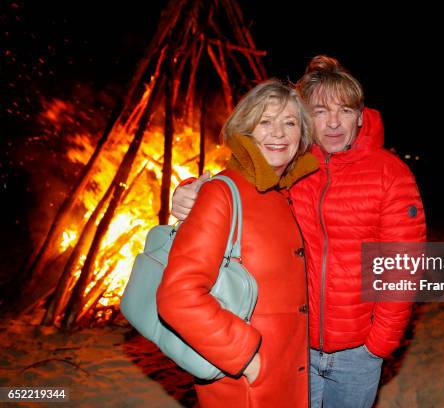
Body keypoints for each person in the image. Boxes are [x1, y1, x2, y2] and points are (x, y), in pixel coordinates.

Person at [173, 56, 426, 407]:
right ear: (308, 118)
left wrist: (378, 345)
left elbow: (403, 269)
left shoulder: (391, 174)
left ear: (361, 115)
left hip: (357, 354)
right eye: (321, 111)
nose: (334, 123)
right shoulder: (292, 165)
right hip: (294, 348)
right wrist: (189, 189)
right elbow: (238, 181)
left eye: (345, 111)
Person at [157, 79, 318, 407]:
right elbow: (178, 295)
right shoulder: (223, 194)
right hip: (246, 385)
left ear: (301, 134)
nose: (279, 133)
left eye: (290, 123)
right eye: (265, 121)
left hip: (288, 373)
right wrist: (245, 357)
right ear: (245, 129)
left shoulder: (284, 190)